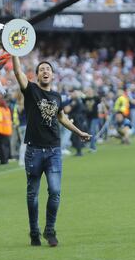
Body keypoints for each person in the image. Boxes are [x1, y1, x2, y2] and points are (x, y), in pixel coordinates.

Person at [12, 56, 91, 247]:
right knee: (33, 194)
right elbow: (17, 72)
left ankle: (50, 230)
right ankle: (34, 231)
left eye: (48, 69)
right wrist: (14, 52)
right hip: (34, 150)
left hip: (54, 150)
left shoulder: (56, 96)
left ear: (53, 75)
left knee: (55, 191)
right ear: (37, 75)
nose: (45, 71)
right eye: (42, 69)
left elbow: (61, 117)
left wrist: (79, 132)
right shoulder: (31, 90)